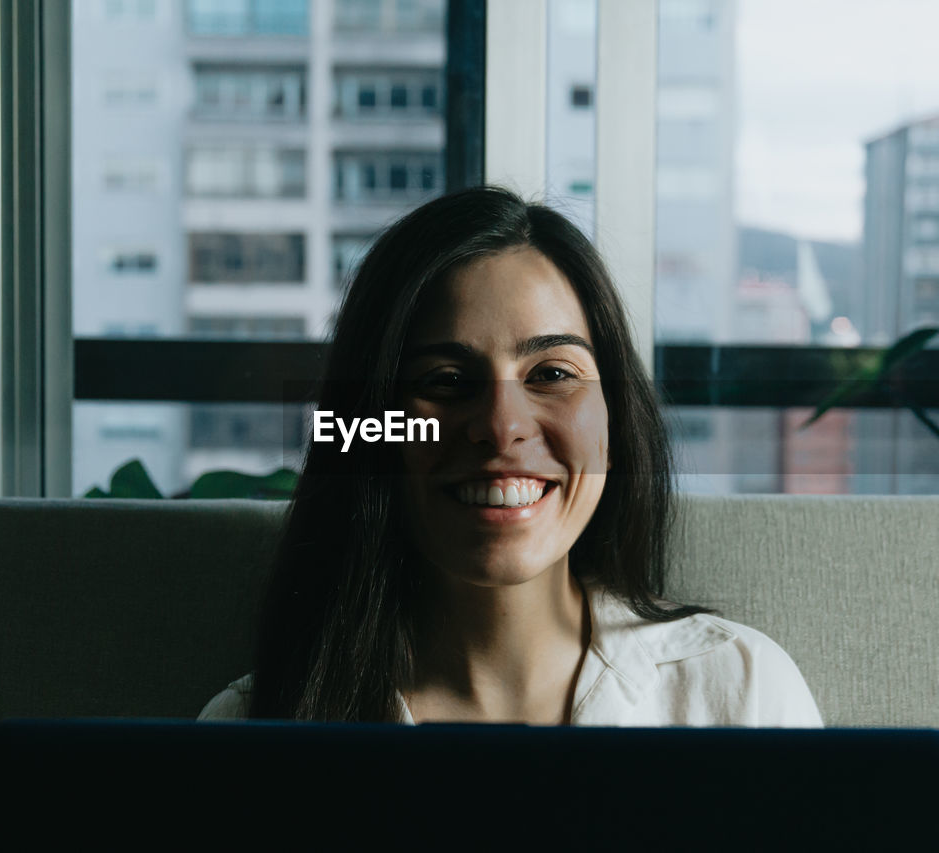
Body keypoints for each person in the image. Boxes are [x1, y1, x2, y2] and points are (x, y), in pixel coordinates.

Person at [199, 186, 822, 727]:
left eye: (552, 372)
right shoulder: (251, 728)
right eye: (444, 382)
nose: (502, 429)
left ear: (616, 419)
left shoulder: (740, 693)